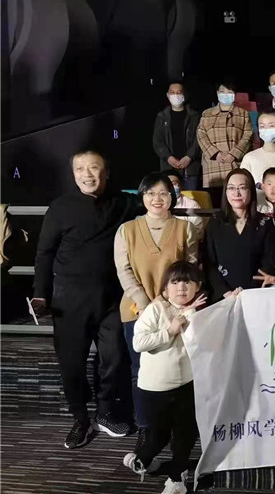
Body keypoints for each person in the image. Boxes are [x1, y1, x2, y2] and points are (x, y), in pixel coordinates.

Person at [32, 149, 140, 448]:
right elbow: (44, 254)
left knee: (114, 358)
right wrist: (41, 295)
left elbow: (153, 199)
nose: (87, 174)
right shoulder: (60, 207)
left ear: (106, 172)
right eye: (80, 169)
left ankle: (105, 413)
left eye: (94, 168)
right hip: (69, 301)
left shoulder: (122, 202)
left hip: (112, 299)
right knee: (72, 364)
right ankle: (80, 419)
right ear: (73, 174)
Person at [114, 172, 198, 447]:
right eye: (150, 193)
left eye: (163, 193)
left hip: (177, 312)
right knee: (140, 370)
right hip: (136, 310)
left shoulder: (185, 229)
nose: (156, 198)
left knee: (178, 369)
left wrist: (167, 302)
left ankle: (176, 428)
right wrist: (148, 303)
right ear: (142, 197)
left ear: (172, 197)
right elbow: (124, 271)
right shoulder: (126, 230)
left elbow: (190, 270)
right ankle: (146, 428)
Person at [123, 261, 206, 494]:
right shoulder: (156, 309)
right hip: (154, 389)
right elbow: (139, 343)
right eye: (175, 282)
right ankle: (142, 460)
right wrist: (170, 330)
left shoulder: (198, 312)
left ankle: (176, 479)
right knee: (156, 438)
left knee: (185, 435)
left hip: (186, 385)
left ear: (197, 286)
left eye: (188, 282)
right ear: (165, 289)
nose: (182, 287)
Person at [204, 169, 275, 301]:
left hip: (255, 296)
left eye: (242, 188)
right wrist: (226, 292)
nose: (236, 193)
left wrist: (248, 292)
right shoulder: (215, 222)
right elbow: (209, 263)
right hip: (223, 297)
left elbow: (269, 262)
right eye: (231, 188)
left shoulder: (265, 223)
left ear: (251, 191)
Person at [197, 80, 253, 207]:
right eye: (222, 91)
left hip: (235, 163)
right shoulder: (207, 114)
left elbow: (248, 135)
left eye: (229, 92)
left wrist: (234, 154)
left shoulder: (243, 114)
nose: (226, 94)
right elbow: (201, 135)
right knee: (215, 203)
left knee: (236, 199)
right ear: (217, 93)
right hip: (213, 164)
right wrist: (215, 153)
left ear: (235, 94)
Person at [152, 82, 202, 190]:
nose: (176, 95)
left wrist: (189, 157)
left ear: (185, 95)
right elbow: (158, 142)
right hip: (168, 168)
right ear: (168, 95)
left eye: (179, 93)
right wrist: (169, 158)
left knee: (190, 197)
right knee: (170, 197)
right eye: (173, 93)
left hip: (190, 168)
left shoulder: (194, 116)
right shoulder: (162, 117)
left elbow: (199, 139)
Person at [166, 170, 204, 241]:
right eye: (167, 184)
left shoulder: (191, 205)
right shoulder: (157, 205)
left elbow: (198, 232)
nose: (171, 187)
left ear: (180, 186)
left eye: (174, 184)